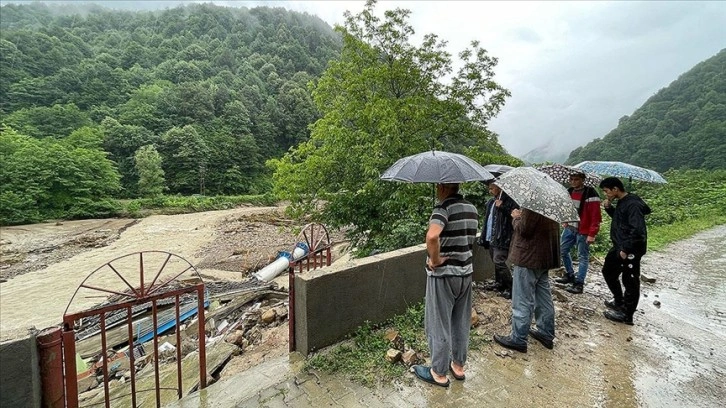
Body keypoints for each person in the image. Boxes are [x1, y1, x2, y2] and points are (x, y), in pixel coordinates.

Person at [412, 183, 479, 387]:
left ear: (442, 186)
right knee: (460, 321)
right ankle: (458, 366)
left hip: (444, 276)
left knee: (438, 322)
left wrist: (434, 260)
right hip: (465, 273)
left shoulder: (442, 209)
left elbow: (432, 236)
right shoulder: (472, 208)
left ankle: (438, 372)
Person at [493, 207, 560, 353]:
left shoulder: (533, 204)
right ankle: (546, 332)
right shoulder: (552, 203)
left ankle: (518, 338)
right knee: (543, 296)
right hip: (545, 255)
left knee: (522, 298)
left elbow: (524, 230)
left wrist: (516, 217)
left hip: (529, 257)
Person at [599, 177, 652, 325]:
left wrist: (627, 249)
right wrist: (609, 208)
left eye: (606, 191)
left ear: (615, 189)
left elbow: (638, 230)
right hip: (620, 245)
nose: (606, 194)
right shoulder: (623, 201)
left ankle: (627, 315)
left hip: (630, 248)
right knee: (608, 271)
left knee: (630, 280)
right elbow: (621, 220)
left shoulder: (633, 204)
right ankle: (619, 301)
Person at [554, 172, 602, 294]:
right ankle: (570, 274)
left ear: (582, 180)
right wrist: (564, 219)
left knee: (583, 256)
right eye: (571, 179)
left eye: (576, 179)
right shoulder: (569, 191)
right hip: (570, 227)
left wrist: (592, 233)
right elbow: (565, 207)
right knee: (563, 250)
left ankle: (579, 283)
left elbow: (595, 215)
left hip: (584, 230)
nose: (573, 181)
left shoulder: (591, 193)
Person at [478, 181, 519, 299]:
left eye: (492, 188)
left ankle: (511, 288)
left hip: (503, 237)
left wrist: (502, 207)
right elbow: (488, 220)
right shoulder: (491, 201)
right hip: (492, 236)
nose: (490, 191)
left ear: (500, 187)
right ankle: (500, 283)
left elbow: (515, 216)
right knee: (494, 260)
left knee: (499, 261)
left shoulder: (510, 201)